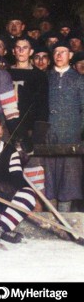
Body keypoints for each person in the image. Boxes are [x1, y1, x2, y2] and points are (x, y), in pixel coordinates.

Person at [44, 41, 84, 212]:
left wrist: (79, 131)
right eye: (56, 52)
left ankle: (65, 220)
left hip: (71, 136)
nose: (59, 55)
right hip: (48, 136)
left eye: (63, 52)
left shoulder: (79, 79)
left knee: (68, 179)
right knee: (48, 178)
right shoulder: (46, 78)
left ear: (71, 55)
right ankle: (50, 222)